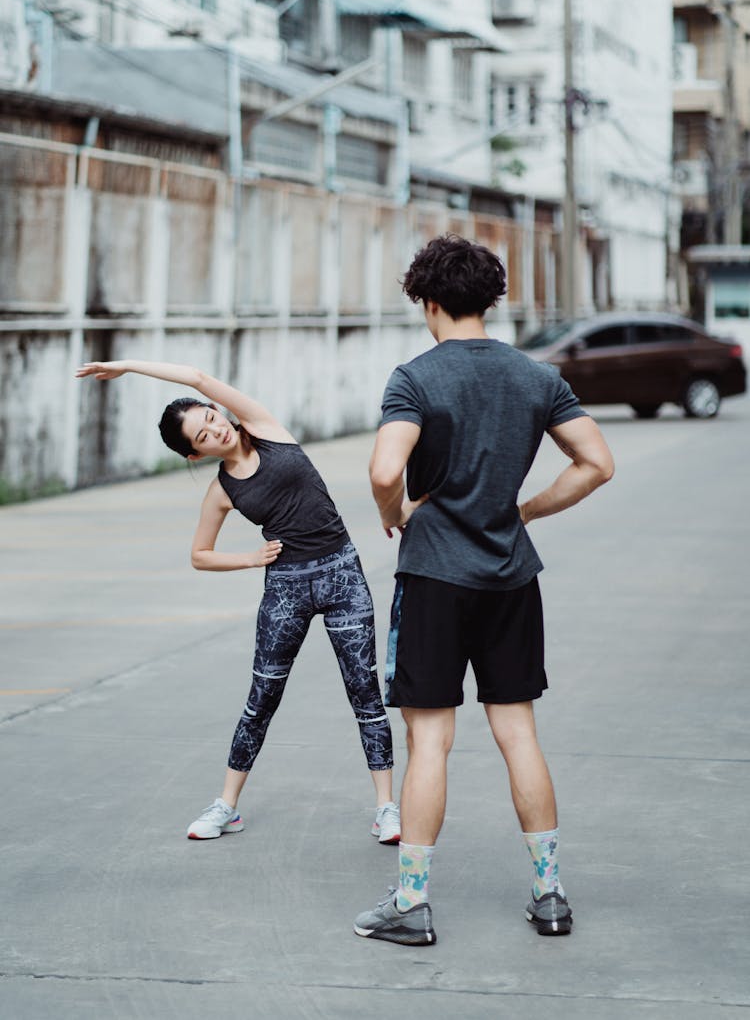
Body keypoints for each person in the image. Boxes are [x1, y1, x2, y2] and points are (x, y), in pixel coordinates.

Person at [354, 235, 614, 946]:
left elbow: (384, 472)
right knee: (518, 731)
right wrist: (522, 510)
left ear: (429, 301)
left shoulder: (415, 377)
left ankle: (412, 901)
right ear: (490, 299)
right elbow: (597, 462)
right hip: (509, 575)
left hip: (435, 575)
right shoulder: (536, 377)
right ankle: (550, 893)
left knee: (430, 740)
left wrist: (393, 516)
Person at [75, 359, 400, 846]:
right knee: (261, 697)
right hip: (285, 587)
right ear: (194, 454)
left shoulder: (265, 428)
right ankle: (226, 805)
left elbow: (198, 378)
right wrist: (250, 560)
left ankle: (386, 809)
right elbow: (199, 556)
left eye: (210, 418)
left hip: (342, 575)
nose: (215, 430)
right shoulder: (222, 490)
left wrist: (126, 367)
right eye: (202, 437)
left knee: (364, 692)